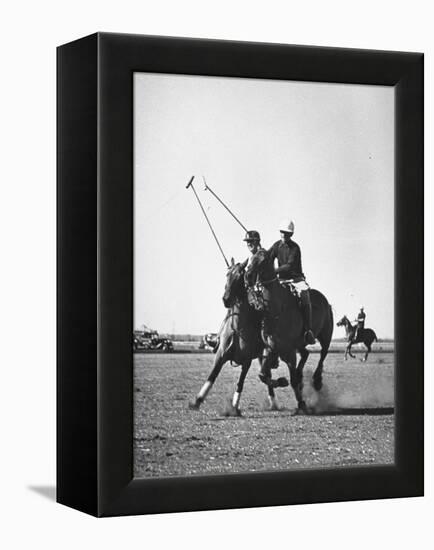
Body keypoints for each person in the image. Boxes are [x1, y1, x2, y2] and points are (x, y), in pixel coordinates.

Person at [267, 219, 316, 345]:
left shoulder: (295, 248)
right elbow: (268, 257)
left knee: (304, 295)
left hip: (296, 279)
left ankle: (308, 330)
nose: (284, 235)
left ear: (291, 234)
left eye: (287, 233)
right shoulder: (276, 245)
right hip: (281, 280)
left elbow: (289, 266)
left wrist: (275, 270)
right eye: (282, 232)